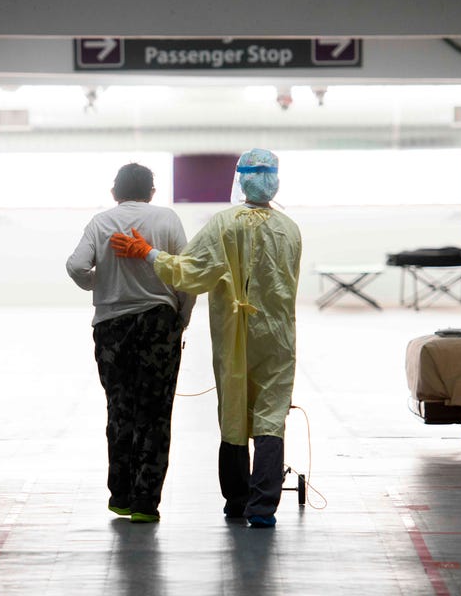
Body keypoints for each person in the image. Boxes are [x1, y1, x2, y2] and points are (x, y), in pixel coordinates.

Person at [110, 148, 301, 528]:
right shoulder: (290, 229)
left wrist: (147, 254)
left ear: (241, 179)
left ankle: (237, 500)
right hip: (278, 336)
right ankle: (263, 508)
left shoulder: (224, 225)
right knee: (271, 415)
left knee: (233, 412)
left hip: (235, 334)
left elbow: (190, 272)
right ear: (275, 180)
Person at [66, 162, 195, 524]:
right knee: (155, 414)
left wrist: (100, 283)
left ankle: (120, 497)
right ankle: (145, 503)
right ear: (152, 192)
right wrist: (180, 319)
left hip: (110, 326)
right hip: (159, 323)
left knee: (119, 409)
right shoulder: (167, 220)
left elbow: (76, 266)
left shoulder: (100, 223)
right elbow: (185, 275)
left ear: (114, 192)